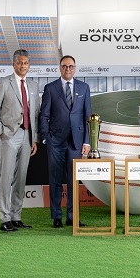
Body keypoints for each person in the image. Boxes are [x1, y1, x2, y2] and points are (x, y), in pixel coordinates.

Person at [0, 49, 40, 232]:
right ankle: (4, 218)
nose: (23, 66)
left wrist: (34, 138)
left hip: (27, 136)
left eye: (25, 63)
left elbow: (35, 114)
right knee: (7, 177)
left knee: (21, 178)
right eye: (19, 63)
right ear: (14, 64)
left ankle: (16, 217)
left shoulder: (33, 85)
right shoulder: (3, 83)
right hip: (9, 136)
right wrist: (0, 132)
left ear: (29, 65)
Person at [39, 55, 92, 228]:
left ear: (75, 68)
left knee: (73, 181)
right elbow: (44, 115)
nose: (67, 69)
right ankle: (56, 217)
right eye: (64, 66)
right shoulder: (50, 88)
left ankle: (72, 217)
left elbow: (87, 116)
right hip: (55, 141)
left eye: (71, 66)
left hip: (76, 142)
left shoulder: (84, 88)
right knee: (55, 179)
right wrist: (46, 137)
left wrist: (87, 142)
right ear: (60, 68)